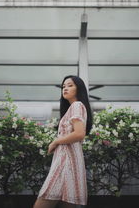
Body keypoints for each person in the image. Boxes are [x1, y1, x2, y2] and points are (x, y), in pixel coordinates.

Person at [33, 75, 93, 208]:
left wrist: (56, 141)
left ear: (79, 89)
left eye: (70, 85)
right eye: (63, 86)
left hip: (66, 161)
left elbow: (79, 134)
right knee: (67, 203)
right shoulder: (71, 109)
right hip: (68, 160)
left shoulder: (77, 105)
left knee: (42, 202)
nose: (65, 88)